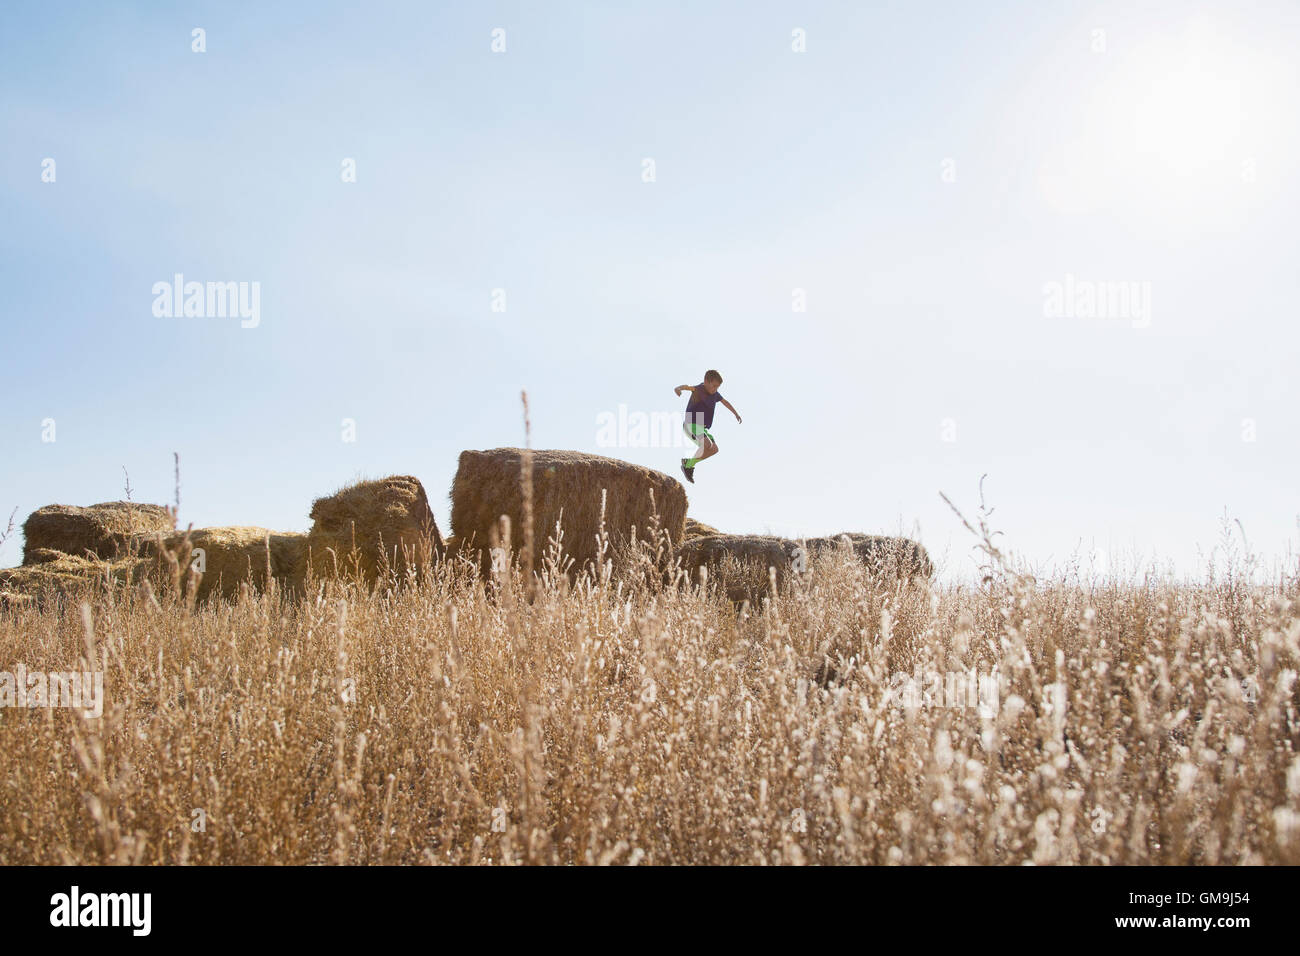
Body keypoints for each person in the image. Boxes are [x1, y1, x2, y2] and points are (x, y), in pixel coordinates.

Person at [675, 369, 741, 484]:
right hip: (691, 423)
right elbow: (687, 387)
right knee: (707, 444)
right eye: (714, 386)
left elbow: (725, 402)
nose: (715, 389)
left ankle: (689, 464)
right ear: (706, 382)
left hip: (702, 427)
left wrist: (735, 413)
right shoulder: (700, 389)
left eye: (717, 387)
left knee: (714, 449)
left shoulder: (715, 394)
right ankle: (688, 465)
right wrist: (678, 389)